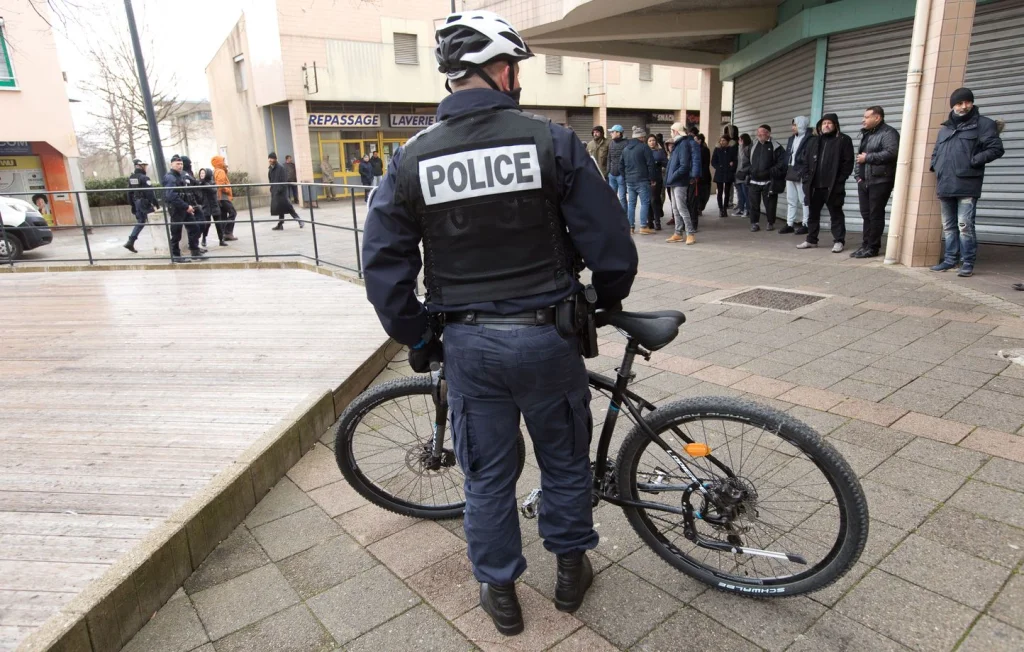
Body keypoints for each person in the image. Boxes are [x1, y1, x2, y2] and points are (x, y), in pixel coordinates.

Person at [361, 10, 637, 636]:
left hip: (468, 344)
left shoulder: (410, 161)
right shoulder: (553, 142)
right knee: (564, 462)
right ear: (501, 70)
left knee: (488, 474)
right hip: (548, 337)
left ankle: (501, 591)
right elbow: (612, 247)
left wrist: (419, 335)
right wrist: (601, 302)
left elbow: (383, 268)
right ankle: (570, 572)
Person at [929, 88, 1004, 277]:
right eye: (960, 103)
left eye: (968, 102)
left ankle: (967, 262)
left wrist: (973, 161)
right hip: (945, 182)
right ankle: (949, 260)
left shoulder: (984, 124)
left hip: (967, 182)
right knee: (948, 225)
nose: (964, 106)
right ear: (953, 105)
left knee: (965, 225)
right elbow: (937, 151)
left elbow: (996, 149)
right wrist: (935, 166)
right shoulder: (945, 128)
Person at [797, 113, 855, 253]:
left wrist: (840, 180)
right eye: (824, 123)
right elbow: (806, 161)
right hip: (814, 186)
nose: (826, 125)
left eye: (829, 123)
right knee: (813, 214)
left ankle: (839, 241)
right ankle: (811, 240)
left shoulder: (843, 140)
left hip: (833, 186)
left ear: (835, 125)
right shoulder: (814, 141)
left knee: (836, 214)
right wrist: (806, 179)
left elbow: (848, 163)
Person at [851, 106, 900, 258]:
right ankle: (865, 245)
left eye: (866, 117)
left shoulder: (888, 133)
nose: (863, 120)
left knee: (875, 215)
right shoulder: (867, 134)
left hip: (880, 181)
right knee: (866, 214)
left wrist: (869, 158)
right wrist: (858, 177)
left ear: (877, 118)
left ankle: (873, 247)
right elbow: (859, 157)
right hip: (864, 181)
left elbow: (892, 153)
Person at [664, 121, 701, 244]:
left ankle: (690, 233)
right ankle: (678, 233)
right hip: (675, 181)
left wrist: (671, 177)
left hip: (679, 181)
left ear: (675, 131)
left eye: (671, 130)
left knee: (681, 208)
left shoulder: (683, 144)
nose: (671, 133)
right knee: (675, 208)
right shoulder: (678, 144)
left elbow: (684, 166)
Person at [162, 154, 204, 262]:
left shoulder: (180, 176)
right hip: (177, 209)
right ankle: (176, 256)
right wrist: (186, 206)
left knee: (194, 228)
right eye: (177, 164)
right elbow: (171, 195)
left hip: (184, 208)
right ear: (171, 165)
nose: (180, 166)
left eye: (181, 164)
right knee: (176, 233)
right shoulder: (170, 177)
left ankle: (195, 252)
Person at [746, 125, 787, 232]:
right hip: (754, 181)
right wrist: (750, 170)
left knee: (770, 204)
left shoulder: (776, 146)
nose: (759, 135)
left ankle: (770, 222)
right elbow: (746, 160)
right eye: (758, 132)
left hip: (769, 181)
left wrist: (770, 171)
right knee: (754, 204)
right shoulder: (753, 145)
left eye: (761, 133)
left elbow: (782, 163)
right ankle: (754, 223)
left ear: (768, 133)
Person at [780, 116, 811, 235]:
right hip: (791, 171)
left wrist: (804, 170)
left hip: (801, 172)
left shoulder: (809, 139)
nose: (793, 127)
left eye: (795, 125)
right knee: (791, 199)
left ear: (802, 125)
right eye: (793, 125)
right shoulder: (791, 139)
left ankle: (806, 224)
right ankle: (789, 224)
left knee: (804, 200)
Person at [622, 126, 656, 234]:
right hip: (642, 179)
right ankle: (643, 226)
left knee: (631, 203)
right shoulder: (644, 147)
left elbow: (620, 166)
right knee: (645, 203)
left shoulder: (626, 149)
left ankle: (631, 227)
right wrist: (652, 178)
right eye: (644, 137)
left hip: (630, 180)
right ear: (641, 137)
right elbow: (651, 164)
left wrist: (625, 177)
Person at [123, 158, 159, 253]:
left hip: (136, 202)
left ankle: (131, 241)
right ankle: (162, 242)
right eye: (145, 166)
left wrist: (132, 204)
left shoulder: (132, 178)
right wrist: (156, 204)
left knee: (141, 221)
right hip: (144, 203)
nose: (146, 168)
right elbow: (150, 193)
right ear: (140, 166)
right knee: (157, 220)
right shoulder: (144, 178)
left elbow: (129, 193)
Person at [268, 152, 303, 229]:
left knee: (288, 207)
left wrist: (279, 190)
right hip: (275, 191)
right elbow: (271, 179)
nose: (270, 160)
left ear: (275, 159)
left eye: (271, 158)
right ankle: (280, 224)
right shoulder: (270, 168)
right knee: (280, 208)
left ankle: (299, 220)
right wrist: (272, 189)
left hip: (281, 192)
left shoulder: (281, 168)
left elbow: (284, 180)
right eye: (269, 158)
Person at [197, 167, 226, 247]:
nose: (202, 175)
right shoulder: (198, 183)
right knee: (207, 224)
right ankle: (204, 238)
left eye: (203, 173)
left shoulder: (212, 182)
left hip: (214, 206)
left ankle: (221, 240)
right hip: (205, 206)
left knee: (218, 224)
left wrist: (205, 184)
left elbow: (213, 190)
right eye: (201, 173)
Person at [212, 155, 238, 241]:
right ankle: (228, 233)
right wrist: (227, 189)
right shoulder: (220, 171)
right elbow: (221, 185)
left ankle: (224, 233)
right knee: (233, 212)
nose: (224, 162)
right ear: (219, 162)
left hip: (219, 197)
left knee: (223, 215)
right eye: (223, 161)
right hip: (223, 197)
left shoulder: (216, 171)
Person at [711, 136, 735, 218]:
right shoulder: (717, 149)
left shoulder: (731, 149)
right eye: (721, 140)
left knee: (727, 192)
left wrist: (732, 166)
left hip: (728, 173)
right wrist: (718, 167)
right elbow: (713, 161)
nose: (722, 142)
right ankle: (720, 209)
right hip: (720, 173)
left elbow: (735, 160)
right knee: (720, 192)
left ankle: (725, 208)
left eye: (724, 140)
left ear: (728, 141)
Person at [647, 134, 667, 230]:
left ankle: (657, 222)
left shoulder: (660, 152)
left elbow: (666, 163)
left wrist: (659, 163)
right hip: (646, 179)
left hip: (657, 179)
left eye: (653, 140)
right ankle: (649, 221)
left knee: (654, 200)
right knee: (648, 201)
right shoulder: (645, 152)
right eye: (650, 140)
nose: (652, 142)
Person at [606, 125, 627, 210]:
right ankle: (614, 217)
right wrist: (608, 171)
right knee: (612, 197)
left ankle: (624, 218)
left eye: (612, 132)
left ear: (618, 133)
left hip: (621, 175)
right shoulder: (611, 143)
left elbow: (627, 160)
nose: (611, 133)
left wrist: (624, 173)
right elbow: (609, 157)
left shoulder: (626, 143)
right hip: (612, 174)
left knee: (622, 198)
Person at [734, 133, 751, 217]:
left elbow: (744, 160)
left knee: (745, 193)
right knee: (740, 193)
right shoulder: (739, 148)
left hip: (745, 174)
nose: (739, 142)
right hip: (738, 174)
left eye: (741, 140)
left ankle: (747, 210)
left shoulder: (748, 148)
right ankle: (741, 208)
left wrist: (740, 147)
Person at [696, 132, 712, 215]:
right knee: (701, 193)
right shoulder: (703, 149)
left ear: (700, 140)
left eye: (696, 140)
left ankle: (699, 207)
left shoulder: (702, 150)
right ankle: (699, 208)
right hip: (703, 175)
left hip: (702, 175)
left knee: (701, 193)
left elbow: (704, 163)